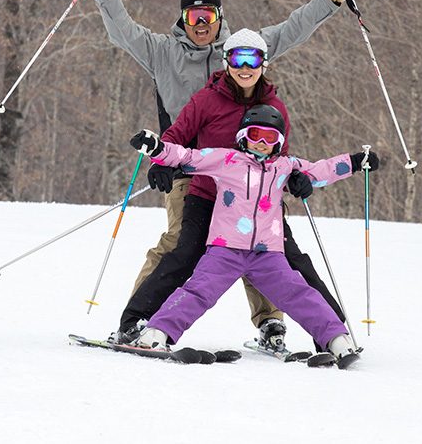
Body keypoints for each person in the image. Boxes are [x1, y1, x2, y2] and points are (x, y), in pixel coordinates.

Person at [83, 0, 359, 350]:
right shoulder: (162, 52)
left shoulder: (242, 51)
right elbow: (123, 32)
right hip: (189, 170)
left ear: (219, 17)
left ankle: (273, 323)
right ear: (183, 18)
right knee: (181, 245)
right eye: (193, 15)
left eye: (207, 15)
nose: (201, 23)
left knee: (264, 243)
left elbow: (293, 28)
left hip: (255, 175)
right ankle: (138, 320)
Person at [113, 29, 376, 353]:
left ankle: (334, 336)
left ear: (264, 64)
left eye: (254, 59)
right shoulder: (206, 99)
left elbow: (286, 160)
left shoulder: (274, 105)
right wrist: (161, 158)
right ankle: (137, 323)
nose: (246, 67)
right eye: (239, 58)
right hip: (207, 194)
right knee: (185, 253)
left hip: (260, 205)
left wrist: (299, 180)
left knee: (293, 264)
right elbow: (179, 139)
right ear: (227, 61)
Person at [125, 107, 375, 369]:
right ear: (244, 135)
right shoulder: (227, 160)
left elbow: (320, 171)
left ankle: (337, 340)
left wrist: (356, 162)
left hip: (268, 255)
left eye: (270, 138)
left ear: (279, 142)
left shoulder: (285, 167)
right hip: (225, 250)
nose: (262, 143)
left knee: (300, 294)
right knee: (197, 293)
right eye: (256, 135)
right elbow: (188, 156)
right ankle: (156, 334)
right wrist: (156, 148)